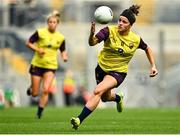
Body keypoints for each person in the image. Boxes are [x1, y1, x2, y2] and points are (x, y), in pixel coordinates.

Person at [71, 5, 158, 130]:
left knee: (97, 90)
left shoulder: (135, 39)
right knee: (105, 98)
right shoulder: (108, 31)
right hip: (101, 69)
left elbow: (147, 48)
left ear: (130, 25)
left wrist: (153, 66)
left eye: (124, 22)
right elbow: (92, 43)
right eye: (119, 20)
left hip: (118, 72)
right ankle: (118, 98)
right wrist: (91, 34)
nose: (120, 23)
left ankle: (79, 119)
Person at [26, 11, 68, 119]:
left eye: (54, 22)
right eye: (50, 22)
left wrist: (64, 57)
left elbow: (63, 50)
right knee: (35, 94)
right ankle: (32, 88)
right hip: (37, 64)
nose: (52, 24)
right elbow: (29, 43)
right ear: (47, 22)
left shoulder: (61, 37)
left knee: (45, 89)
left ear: (57, 23)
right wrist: (37, 49)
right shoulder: (40, 32)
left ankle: (39, 112)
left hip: (50, 66)